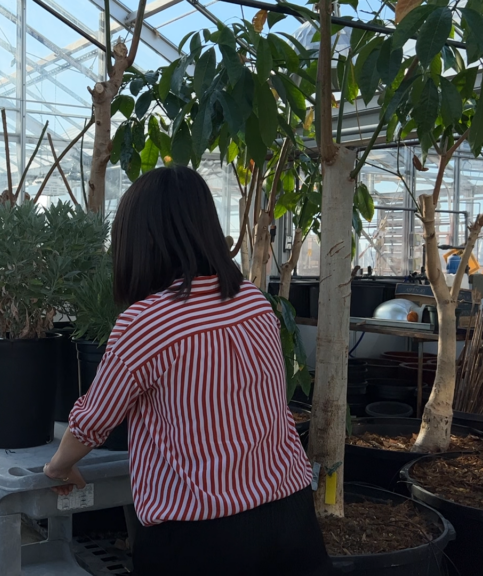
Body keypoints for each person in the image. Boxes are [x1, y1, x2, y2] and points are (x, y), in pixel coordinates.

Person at [43, 166, 332, 575]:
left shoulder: (147, 321)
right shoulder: (253, 300)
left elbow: (94, 420)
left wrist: (58, 467)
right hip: (289, 518)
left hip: (199, 538)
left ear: (141, 241)